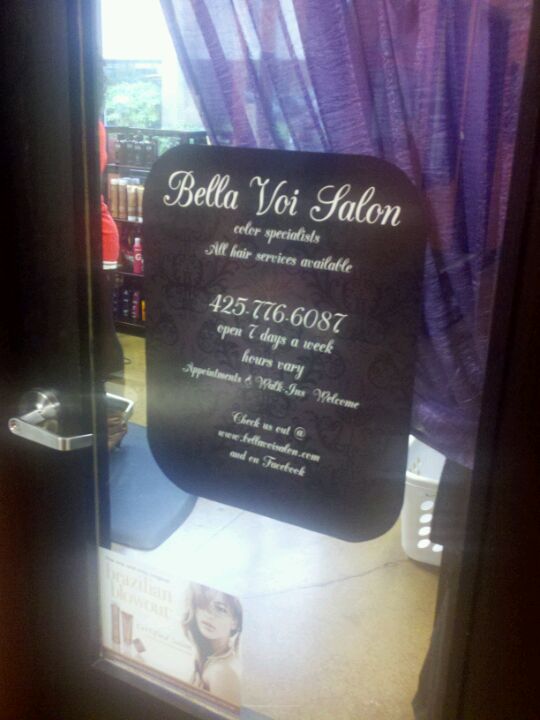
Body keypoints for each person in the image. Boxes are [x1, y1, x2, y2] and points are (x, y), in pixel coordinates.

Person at [98, 119, 128, 449]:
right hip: (77, 240)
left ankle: (112, 422)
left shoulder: (87, 125)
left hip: (94, 240)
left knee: (99, 329)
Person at [182, 583, 242, 707]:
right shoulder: (213, 661)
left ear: (235, 622)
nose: (209, 615)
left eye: (220, 609)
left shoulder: (221, 672)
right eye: (202, 604)